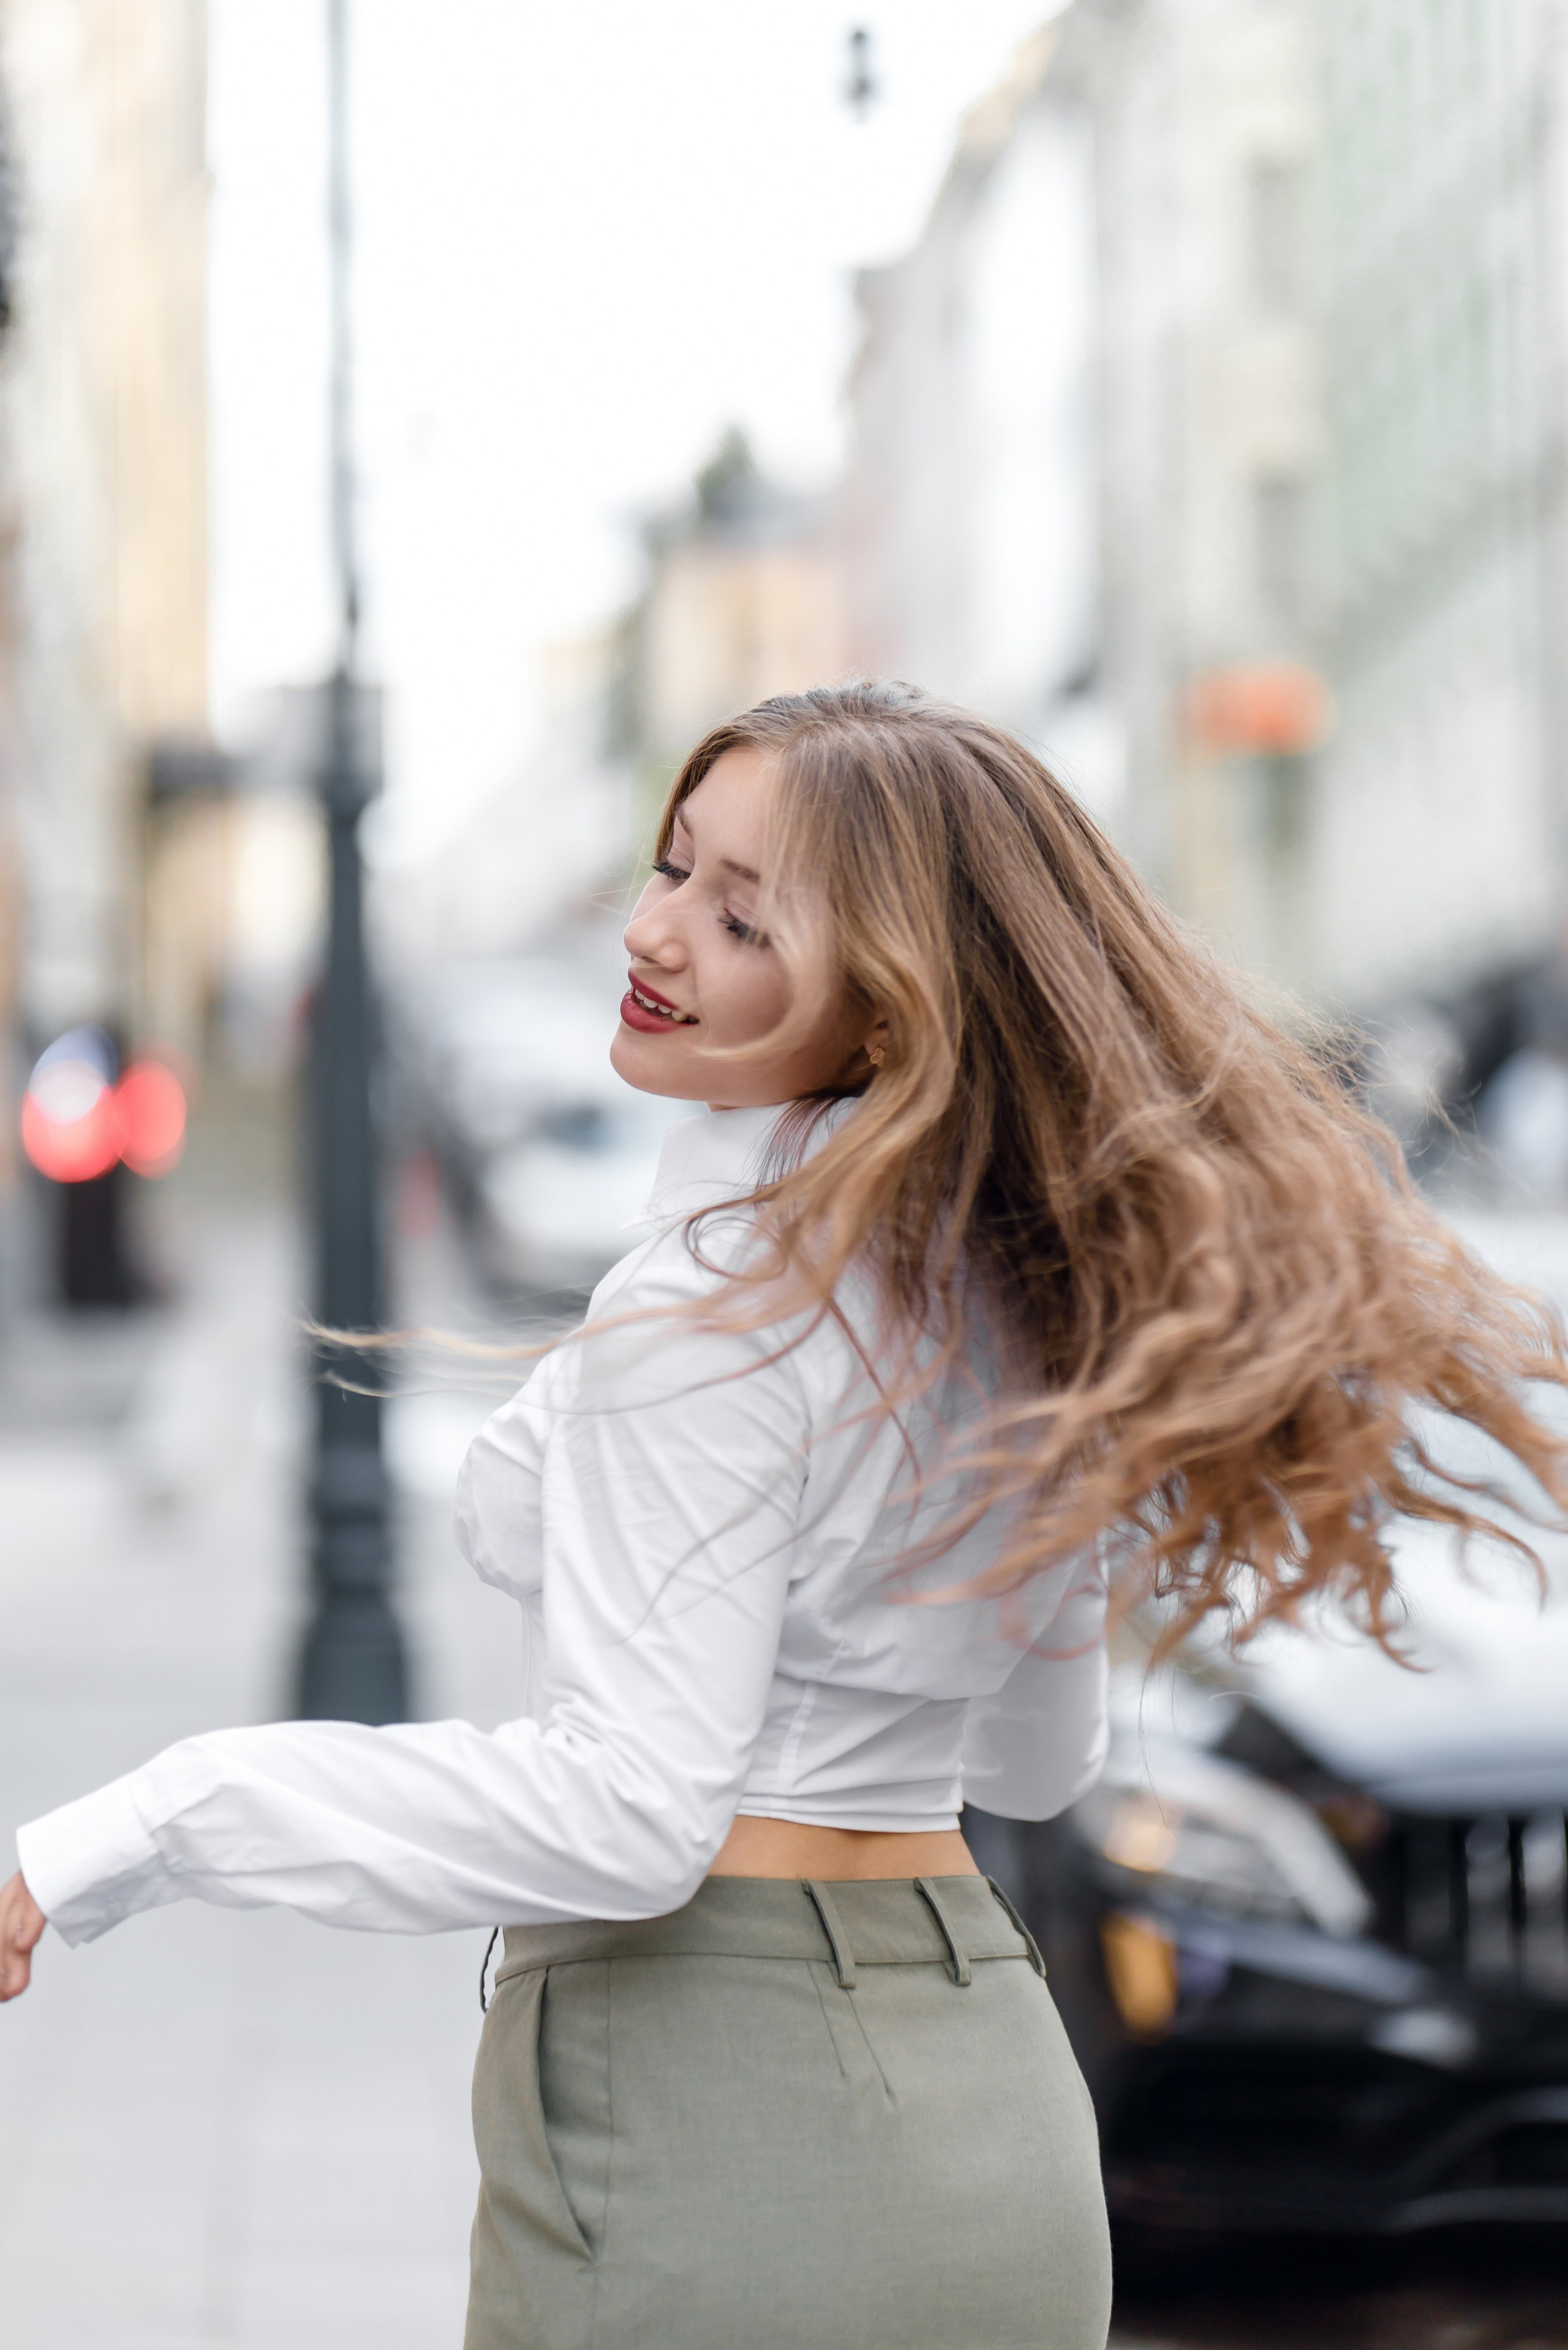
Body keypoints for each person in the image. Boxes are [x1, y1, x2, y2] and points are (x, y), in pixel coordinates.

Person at [5, 680, 1567, 2349]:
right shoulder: (1014, 1304)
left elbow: (626, 1816)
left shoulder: (710, 1315)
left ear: (889, 1006)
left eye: (741, 914)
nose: (656, 932)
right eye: (674, 868)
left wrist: (150, 1822)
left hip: (715, 2110)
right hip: (991, 2104)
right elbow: (1034, 1762)